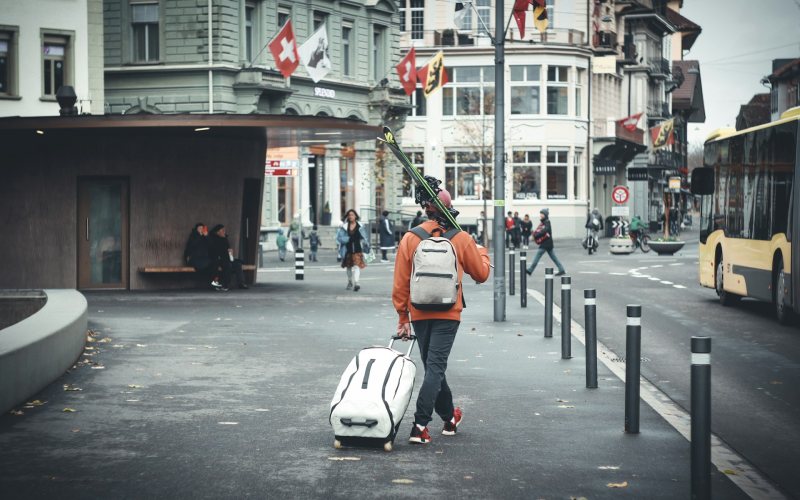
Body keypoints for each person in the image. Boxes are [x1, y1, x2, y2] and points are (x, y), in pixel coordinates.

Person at [393, 178, 491, 445]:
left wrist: (403, 317)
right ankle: (420, 425)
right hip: (449, 312)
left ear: (425, 209)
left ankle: (449, 417)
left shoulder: (411, 238)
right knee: (435, 368)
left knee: (434, 368)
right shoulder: (461, 239)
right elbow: (481, 275)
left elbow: (401, 282)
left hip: (419, 311)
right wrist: (482, 252)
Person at [336, 209, 370, 291]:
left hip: (357, 249)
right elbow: (339, 238)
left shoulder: (360, 226)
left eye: (352, 215)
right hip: (348, 249)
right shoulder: (344, 226)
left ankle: (357, 283)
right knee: (348, 267)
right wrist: (346, 239)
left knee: (357, 266)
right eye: (349, 215)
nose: (350, 216)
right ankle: (350, 281)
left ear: (355, 216)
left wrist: (366, 245)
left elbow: (365, 237)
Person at [525, 208, 566, 277]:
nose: (540, 215)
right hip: (548, 243)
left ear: (545, 215)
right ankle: (561, 269)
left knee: (537, 256)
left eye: (542, 214)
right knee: (554, 258)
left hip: (546, 243)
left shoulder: (547, 222)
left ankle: (530, 270)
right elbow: (543, 230)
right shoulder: (544, 222)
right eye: (540, 213)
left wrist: (536, 236)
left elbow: (545, 230)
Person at [208, 224, 248, 290]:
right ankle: (225, 285)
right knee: (228, 265)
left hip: (227, 258)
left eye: (224, 230)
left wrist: (230, 253)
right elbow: (214, 251)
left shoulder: (225, 239)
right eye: (222, 230)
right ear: (217, 232)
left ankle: (241, 283)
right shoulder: (213, 239)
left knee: (238, 264)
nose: (224, 231)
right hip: (218, 259)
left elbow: (228, 249)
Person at [183, 223, 221, 290]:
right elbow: (192, 245)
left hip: (204, 258)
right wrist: (200, 236)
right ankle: (213, 282)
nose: (201, 230)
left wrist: (206, 236)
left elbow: (212, 246)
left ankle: (215, 281)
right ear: (196, 229)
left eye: (202, 228)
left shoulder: (205, 237)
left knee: (214, 263)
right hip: (195, 259)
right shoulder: (193, 236)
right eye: (199, 228)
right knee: (207, 265)